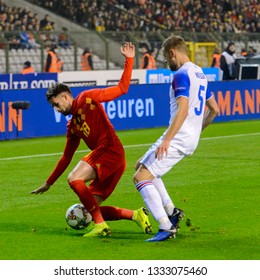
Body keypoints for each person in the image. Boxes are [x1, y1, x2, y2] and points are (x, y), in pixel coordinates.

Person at [31, 42, 152, 238]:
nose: (56, 109)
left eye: (56, 104)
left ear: (65, 96)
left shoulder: (88, 98)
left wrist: (129, 59)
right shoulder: (73, 127)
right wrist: (49, 183)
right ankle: (136, 215)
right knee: (89, 211)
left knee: (74, 178)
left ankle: (101, 226)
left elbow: (122, 89)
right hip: (111, 160)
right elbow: (65, 158)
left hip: (110, 150)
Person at [133, 35, 219, 242]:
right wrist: (196, 131)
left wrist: (167, 139)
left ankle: (166, 227)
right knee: (141, 166)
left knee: (140, 178)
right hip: (189, 137)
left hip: (178, 136)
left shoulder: (181, 74)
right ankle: (172, 211)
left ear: (173, 53)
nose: (166, 62)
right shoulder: (200, 73)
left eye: (165, 57)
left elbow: (182, 110)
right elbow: (215, 110)